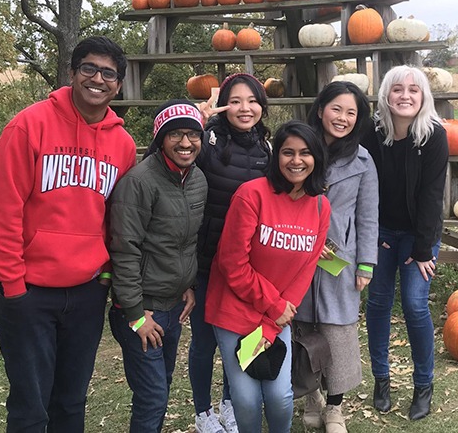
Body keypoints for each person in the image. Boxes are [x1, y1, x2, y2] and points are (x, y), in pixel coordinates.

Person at [0, 36, 136, 433]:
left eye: (108, 73)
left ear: (118, 84)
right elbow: (1, 213)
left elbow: (116, 221)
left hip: (86, 293)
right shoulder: (28, 126)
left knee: (71, 401)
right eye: (89, 68)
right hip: (29, 293)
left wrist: (104, 278)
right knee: (31, 407)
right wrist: (13, 287)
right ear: (72, 73)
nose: (98, 79)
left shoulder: (122, 145)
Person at [206, 120, 331, 433]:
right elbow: (231, 263)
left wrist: (273, 319)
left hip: (276, 316)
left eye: (305, 153)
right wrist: (273, 306)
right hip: (235, 309)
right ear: (277, 157)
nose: (296, 160)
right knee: (247, 400)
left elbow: (307, 267)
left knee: (279, 396)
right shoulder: (251, 195)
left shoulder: (319, 206)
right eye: (287, 152)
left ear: (316, 157)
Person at [108, 99, 208, 433]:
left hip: (174, 305)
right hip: (143, 310)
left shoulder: (197, 180)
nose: (185, 143)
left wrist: (189, 285)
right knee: (152, 397)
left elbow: (188, 241)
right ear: (160, 138)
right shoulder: (139, 182)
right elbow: (125, 250)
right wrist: (135, 314)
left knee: (160, 389)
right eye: (176, 134)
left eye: (192, 134)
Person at [361, 65, 449, 421]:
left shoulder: (434, 136)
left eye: (414, 90)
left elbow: (431, 196)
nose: (406, 96)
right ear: (386, 94)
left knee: (414, 304)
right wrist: (369, 237)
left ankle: (423, 385)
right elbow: (362, 184)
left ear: (423, 97)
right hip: (379, 231)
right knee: (379, 302)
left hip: (418, 234)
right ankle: (381, 380)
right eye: (398, 89)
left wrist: (423, 249)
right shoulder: (372, 131)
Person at [190, 73, 271, 433]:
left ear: (261, 106)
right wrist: (198, 120)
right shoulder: (207, 142)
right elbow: (171, 155)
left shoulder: (268, 149)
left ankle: (229, 402)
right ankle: (203, 412)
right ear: (224, 105)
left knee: (237, 336)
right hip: (208, 259)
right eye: (235, 100)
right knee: (205, 339)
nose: (244, 108)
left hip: (246, 264)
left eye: (252, 101)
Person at [297, 81, 379, 432]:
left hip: (340, 261)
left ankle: (335, 407)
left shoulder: (363, 160)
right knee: (301, 327)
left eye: (351, 112)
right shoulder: (298, 150)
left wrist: (365, 263)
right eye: (336, 109)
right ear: (320, 109)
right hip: (296, 253)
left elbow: (368, 215)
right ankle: (309, 395)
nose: (342, 118)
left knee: (338, 332)